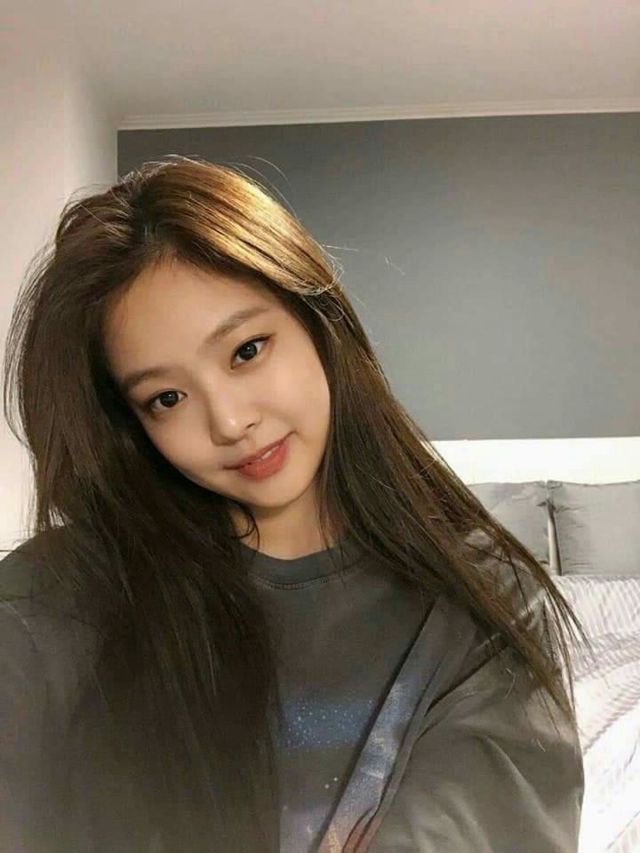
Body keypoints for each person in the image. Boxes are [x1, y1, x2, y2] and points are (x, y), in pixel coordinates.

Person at [0, 156, 590, 853]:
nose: (229, 421)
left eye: (247, 350)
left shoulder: (484, 601)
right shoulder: (56, 600)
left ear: (319, 322)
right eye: (167, 397)